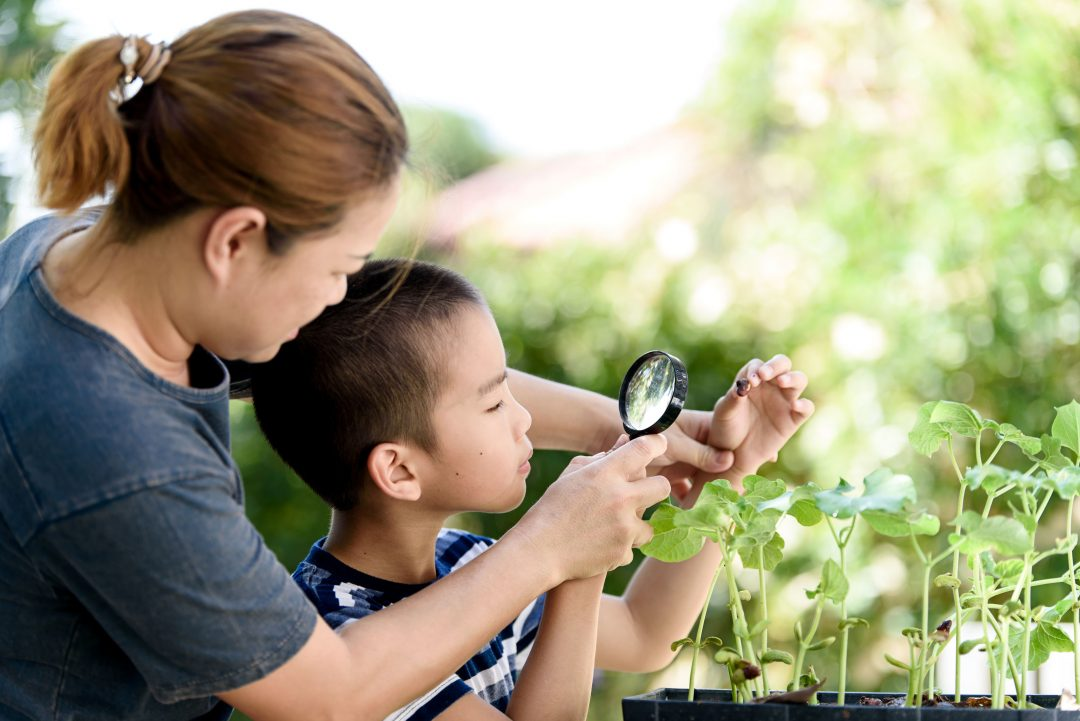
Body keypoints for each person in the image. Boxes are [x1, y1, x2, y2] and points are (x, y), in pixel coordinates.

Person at [0, 9, 812, 721]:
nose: (336, 298)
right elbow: (329, 692)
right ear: (235, 240)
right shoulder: (112, 450)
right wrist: (554, 550)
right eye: (338, 267)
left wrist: (671, 442)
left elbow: (407, 373)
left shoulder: (105, 253)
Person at [248, 259, 814, 720]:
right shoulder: (339, 641)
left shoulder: (466, 561)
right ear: (398, 471)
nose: (525, 419)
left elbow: (647, 632)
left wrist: (728, 472)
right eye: (494, 402)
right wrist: (575, 563)